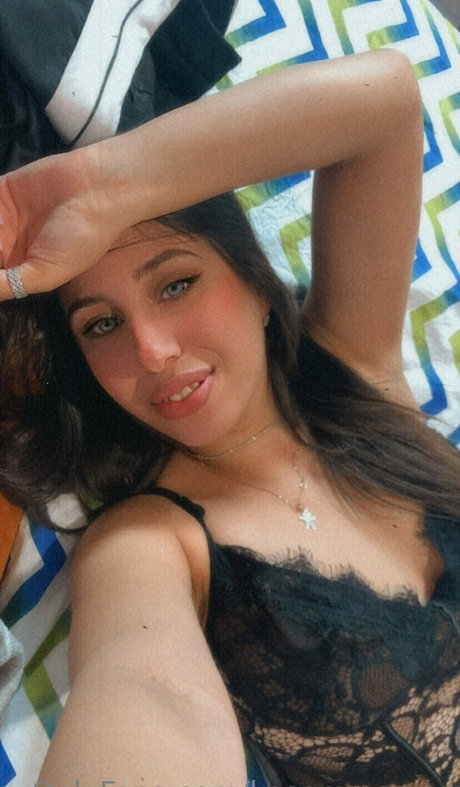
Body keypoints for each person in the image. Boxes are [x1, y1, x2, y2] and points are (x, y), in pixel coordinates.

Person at [0, 49, 459, 786]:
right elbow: (144, 692)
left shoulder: (359, 371)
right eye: (102, 325)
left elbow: (386, 101)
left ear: (254, 283)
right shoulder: (147, 544)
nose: (152, 351)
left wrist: (100, 186)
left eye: (176, 283)